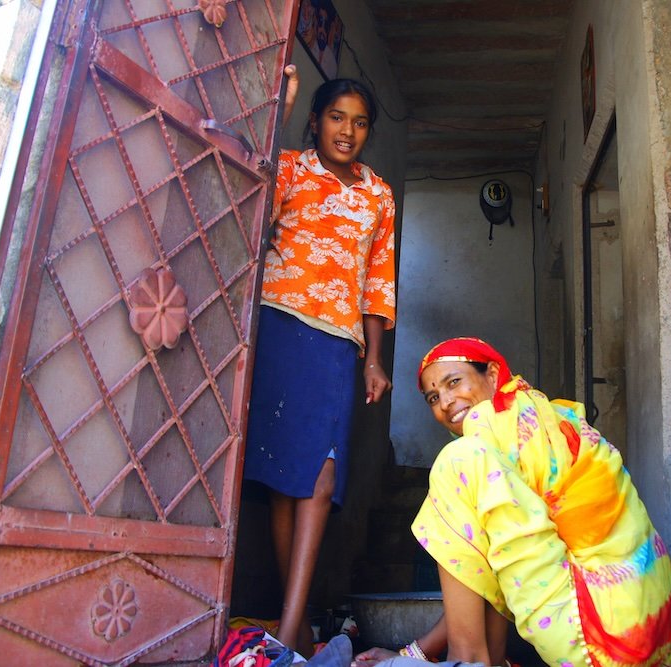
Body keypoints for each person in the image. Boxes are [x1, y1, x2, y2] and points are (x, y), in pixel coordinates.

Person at [355, 337, 671, 667]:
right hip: (649, 640)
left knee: (458, 459)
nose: (446, 402)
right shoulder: (543, 415)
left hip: (599, 636)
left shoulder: (491, 427)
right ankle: (486, 659)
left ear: (493, 374)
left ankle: (466, 659)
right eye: (433, 397)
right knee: (488, 515)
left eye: (454, 382)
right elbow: (490, 564)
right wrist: (416, 652)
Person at [244, 68, 396, 657]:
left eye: (359, 123)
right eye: (337, 117)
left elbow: (378, 282)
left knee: (321, 475)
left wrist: (374, 360)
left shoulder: (379, 195)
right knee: (285, 481)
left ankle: (286, 631)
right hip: (281, 328)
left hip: (338, 343)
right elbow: (249, 194)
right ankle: (300, 622)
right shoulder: (289, 169)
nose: (347, 131)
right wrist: (275, 109)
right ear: (315, 121)